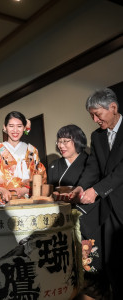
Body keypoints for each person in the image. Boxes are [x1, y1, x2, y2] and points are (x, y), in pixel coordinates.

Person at [70, 88, 122, 299]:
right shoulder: (97, 135)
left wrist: (97, 190)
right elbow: (93, 166)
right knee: (112, 260)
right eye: (91, 115)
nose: (94, 119)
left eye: (97, 114)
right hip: (108, 207)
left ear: (113, 108)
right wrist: (82, 187)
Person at [47, 125, 107, 299]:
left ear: (78, 141)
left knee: (89, 256)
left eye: (66, 141)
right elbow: (50, 189)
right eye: (59, 141)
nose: (61, 145)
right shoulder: (54, 165)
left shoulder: (90, 162)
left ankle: (94, 287)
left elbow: (94, 188)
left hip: (87, 214)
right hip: (62, 217)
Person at [0, 111, 47, 203]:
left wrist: (26, 190)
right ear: (5, 127)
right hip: (3, 199)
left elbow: (40, 176)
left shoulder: (32, 151)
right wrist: (2, 190)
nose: (15, 130)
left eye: (19, 126)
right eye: (11, 126)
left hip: (27, 199)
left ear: (24, 128)